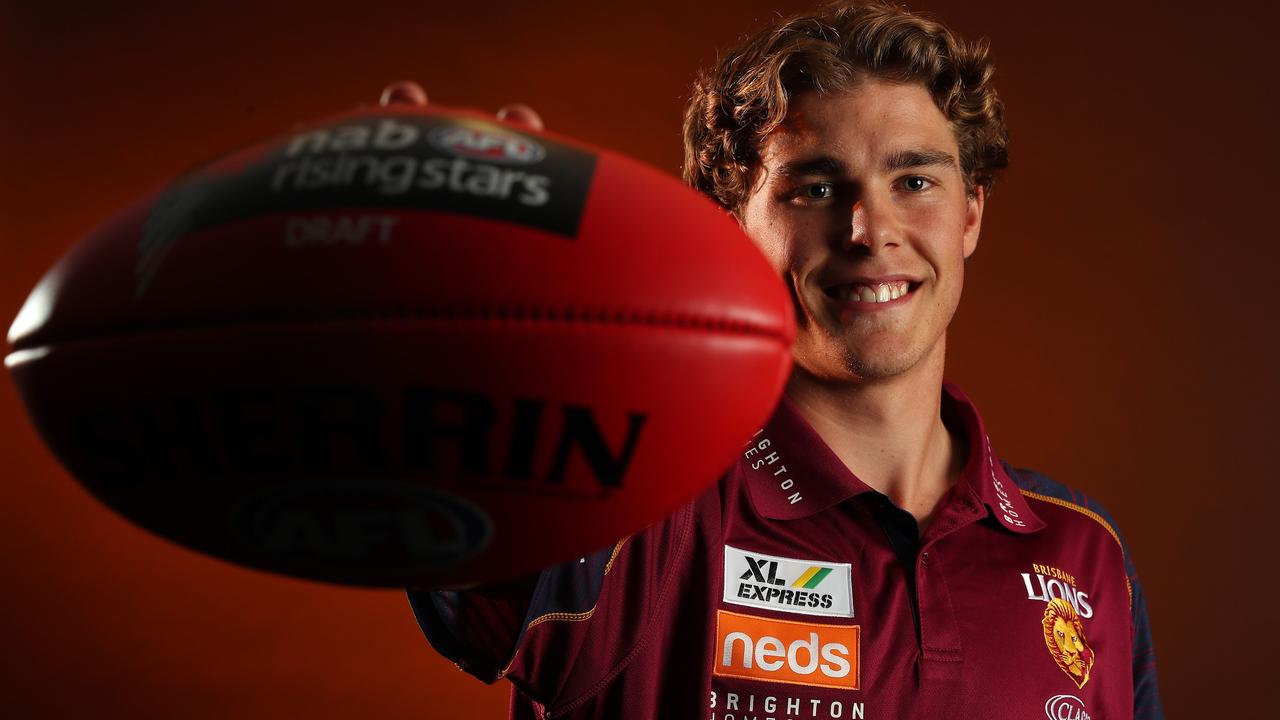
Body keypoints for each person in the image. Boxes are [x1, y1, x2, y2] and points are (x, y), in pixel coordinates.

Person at [404, 2, 1163, 718]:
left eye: (915, 181)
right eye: (817, 188)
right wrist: (434, 359)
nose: (870, 230)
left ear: (971, 212)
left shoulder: (1083, 551)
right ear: (729, 231)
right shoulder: (635, 498)